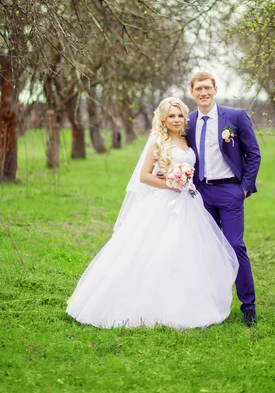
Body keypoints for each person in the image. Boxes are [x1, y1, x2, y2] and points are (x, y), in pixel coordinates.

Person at [66, 97, 238, 329]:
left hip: (189, 204)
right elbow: (145, 176)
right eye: (171, 116)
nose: (176, 120)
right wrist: (173, 183)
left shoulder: (187, 140)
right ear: (163, 119)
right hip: (165, 202)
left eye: (180, 115)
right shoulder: (159, 141)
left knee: (188, 253)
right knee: (160, 250)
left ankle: (187, 304)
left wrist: (184, 184)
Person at [186, 72, 261, 325]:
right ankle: (208, 303)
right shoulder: (189, 121)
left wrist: (243, 188)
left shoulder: (235, 117)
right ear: (192, 92)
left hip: (230, 192)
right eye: (199, 88)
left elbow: (254, 154)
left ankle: (248, 305)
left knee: (234, 245)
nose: (203, 92)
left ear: (215, 89)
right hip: (201, 194)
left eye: (207, 87)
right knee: (204, 249)